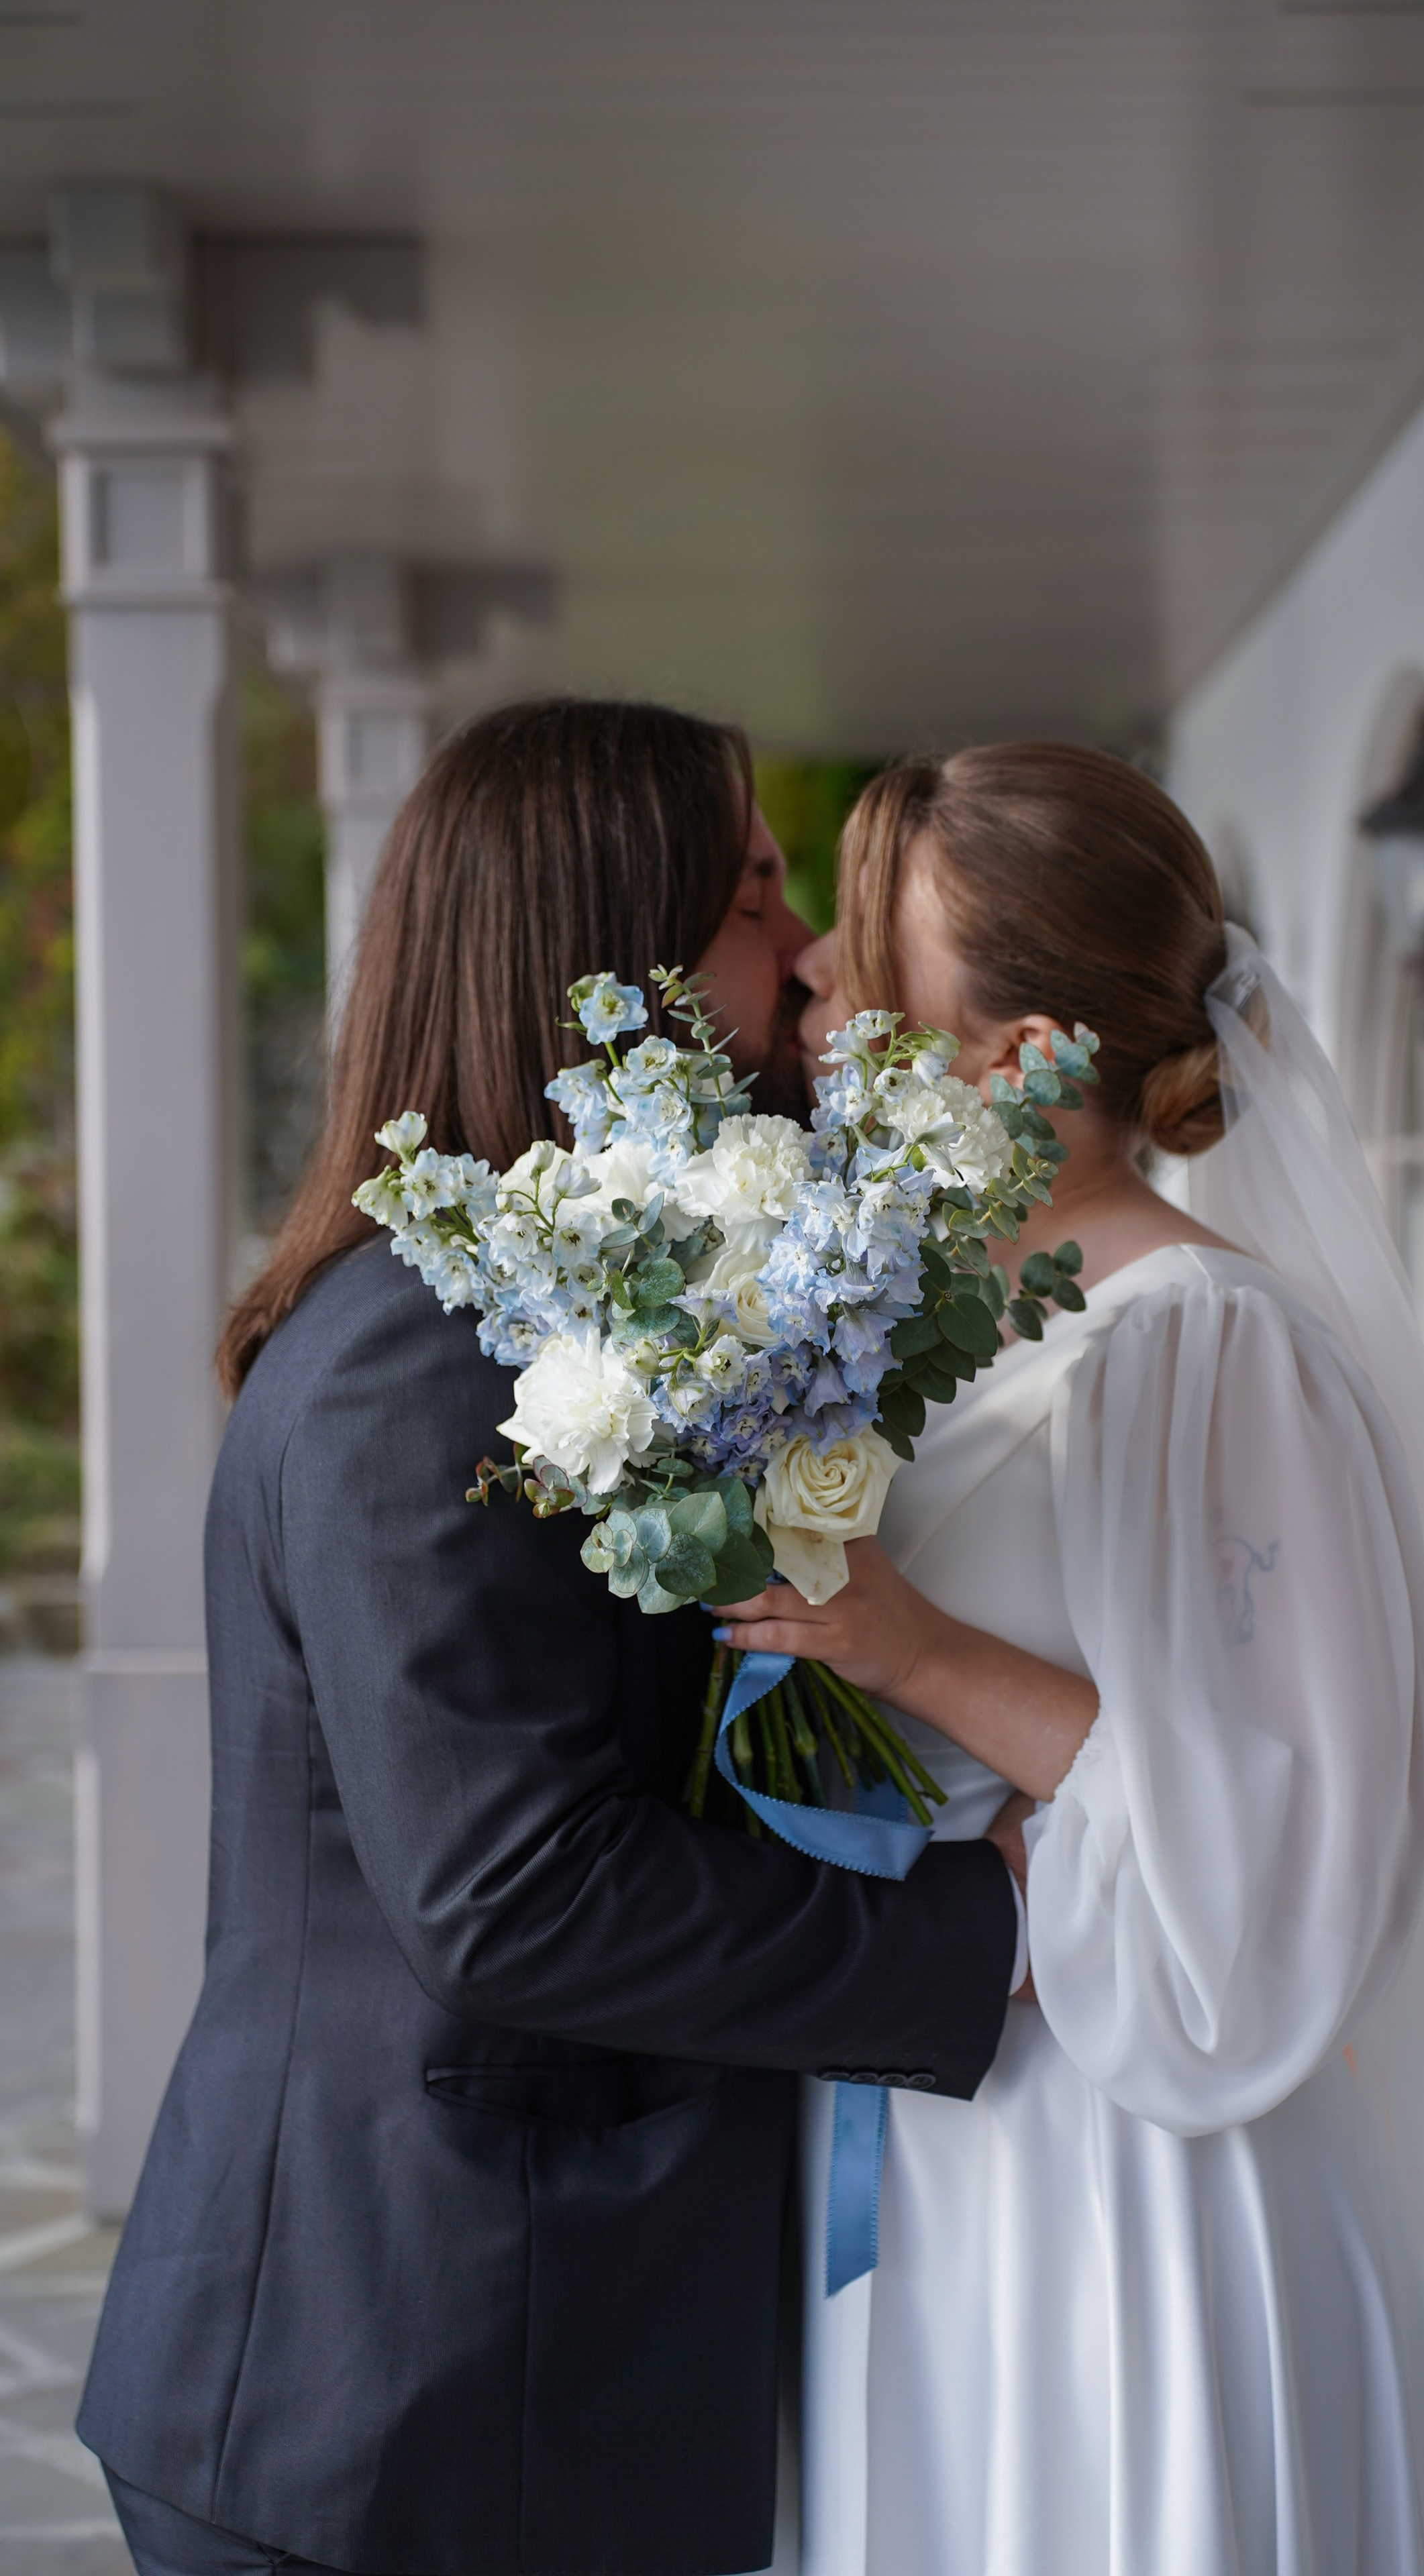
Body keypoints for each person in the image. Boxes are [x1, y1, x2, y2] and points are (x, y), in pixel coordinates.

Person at [722, 742, 1424, 2576]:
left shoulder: (1210, 1351)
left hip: (1119, 2182)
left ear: (1019, 1062)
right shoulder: (880, 1317)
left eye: (870, 952)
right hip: (904, 2143)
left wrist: (910, 1650)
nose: (821, 984)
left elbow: (1275, 1847)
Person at [75, 700, 1023, 2576]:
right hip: (400, 2395)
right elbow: (515, 1891)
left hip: (503, 2377)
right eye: (755, 893)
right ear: (622, 960)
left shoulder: (536, 1328)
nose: (806, 955)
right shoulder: (416, 1371)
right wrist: (967, 1932)